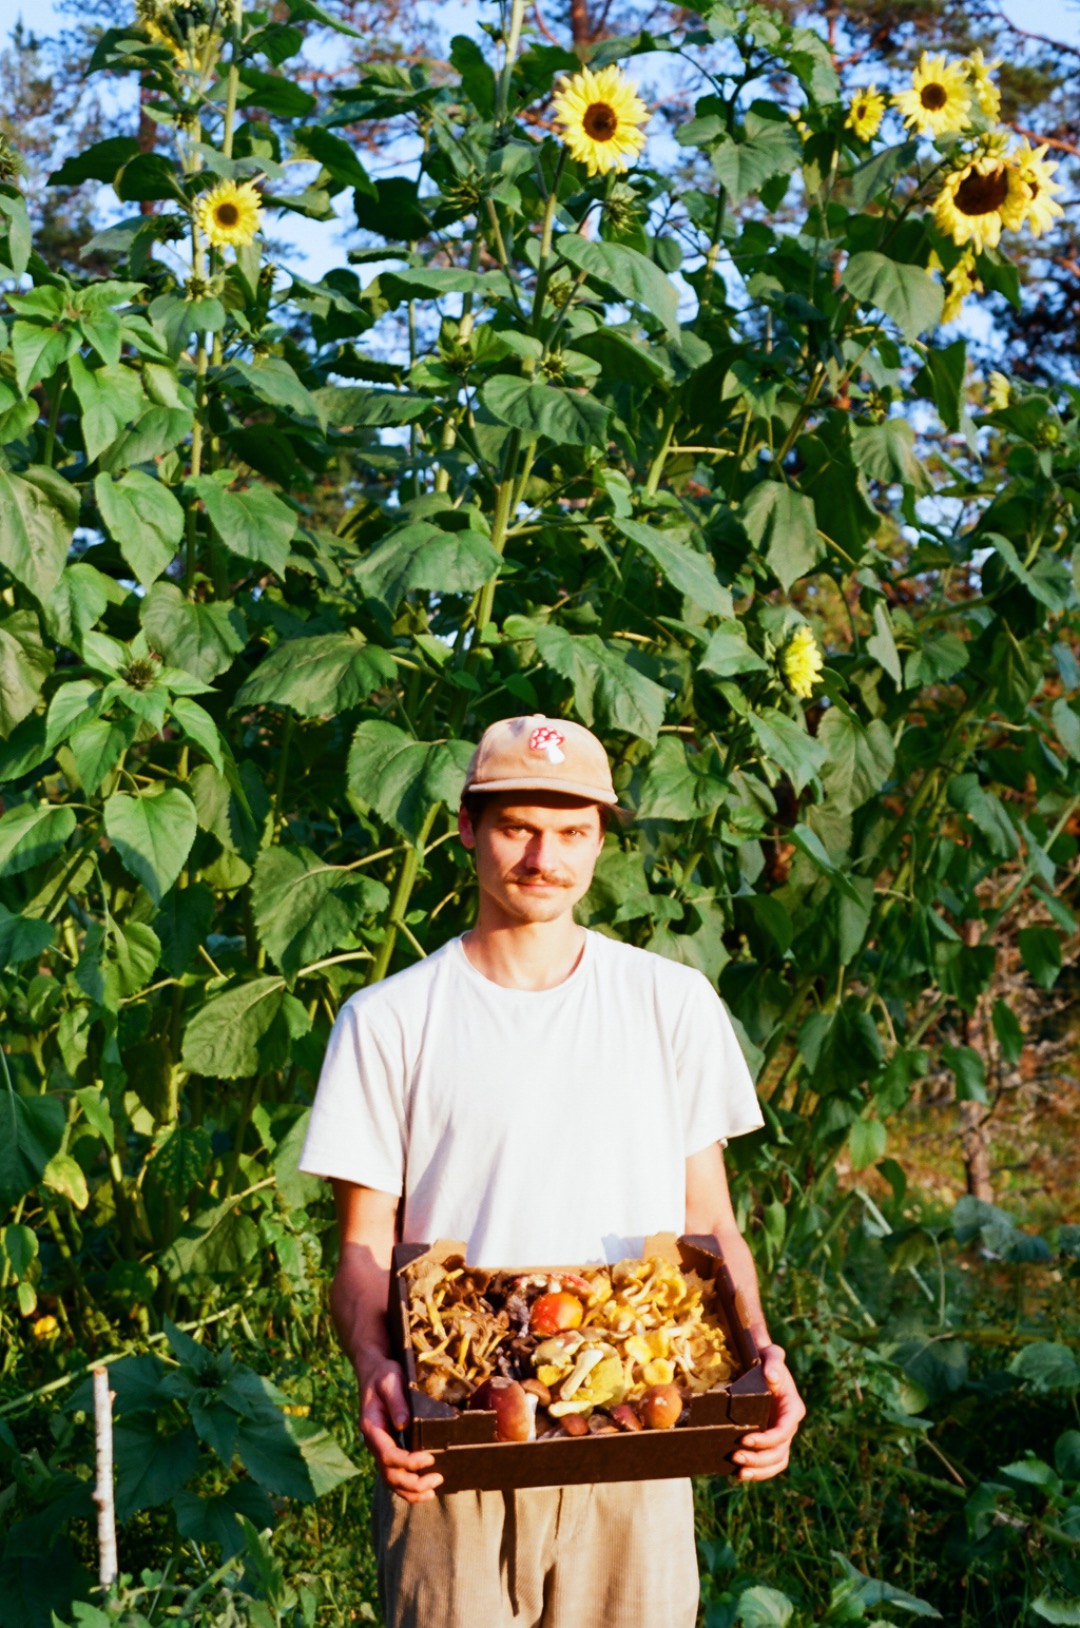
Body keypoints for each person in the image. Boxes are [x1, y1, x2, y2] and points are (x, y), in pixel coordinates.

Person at [299, 714, 806, 1628]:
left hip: (638, 1432)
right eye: (517, 828)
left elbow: (710, 1224)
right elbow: (365, 1247)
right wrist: (376, 1367)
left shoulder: (671, 1003)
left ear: (601, 838)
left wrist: (758, 1355)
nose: (545, 858)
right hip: (456, 1441)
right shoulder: (389, 1020)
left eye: (573, 832)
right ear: (467, 827)